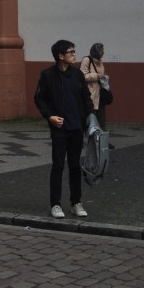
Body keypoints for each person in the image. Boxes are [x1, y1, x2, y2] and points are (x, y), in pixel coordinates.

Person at [34, 39, 95, 219]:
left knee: (75, 165)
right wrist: (50, 116)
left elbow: (86, 97)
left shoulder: (77, 75)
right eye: (71, 52)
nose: (75, 55)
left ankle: (76, 202)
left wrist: (89, 116)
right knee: (58, 165)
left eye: (74, 51)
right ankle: (55, 205)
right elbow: (39, 99)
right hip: (59, 128)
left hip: (77, 127)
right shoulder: (47, 75)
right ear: (61, 56)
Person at [80, 42, 112, 137]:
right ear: (96, 51)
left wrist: (104, 78)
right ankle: (80, 140)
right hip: (90, 94)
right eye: (102, 51)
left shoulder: (100, 62)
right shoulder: (86, 60)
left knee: (101, 119)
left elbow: (101, 75)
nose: (104, 53)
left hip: (100, 94)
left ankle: (103, 140)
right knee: (89, 118)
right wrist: (98, 76)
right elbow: (83, 76)